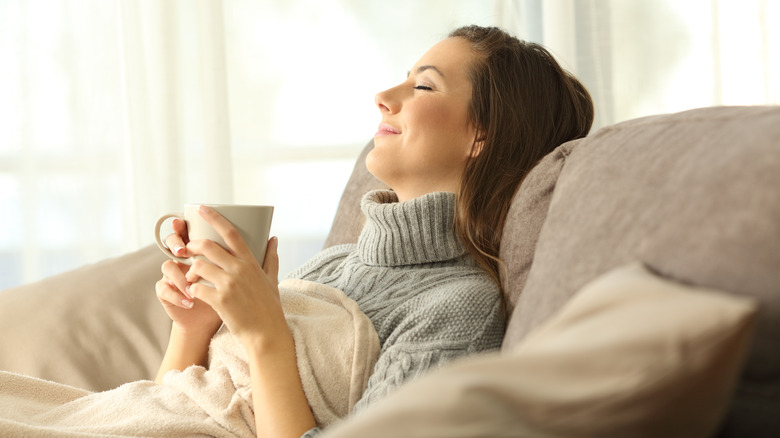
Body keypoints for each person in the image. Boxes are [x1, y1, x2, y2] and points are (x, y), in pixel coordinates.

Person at [154, 25, 594, 438]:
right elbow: (164, 407)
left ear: (482, 133)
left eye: (423, 86)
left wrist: (265, 334)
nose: (383, 96)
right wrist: (194, 328)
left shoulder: (459, 309)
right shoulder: (334, 263)